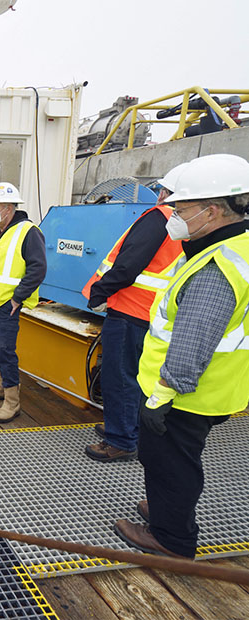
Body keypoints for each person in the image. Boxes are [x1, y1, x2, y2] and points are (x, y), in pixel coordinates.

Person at [114, 154, 249, 559]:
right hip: (217, 387)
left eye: (181, 208)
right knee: (179, 459)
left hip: (185, 393)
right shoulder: (233, 246)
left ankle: (171, 539)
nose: (172, 215)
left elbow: (193, 342)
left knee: (169, 461)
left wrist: (160, 398)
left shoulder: (216, 267)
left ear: (211, 211)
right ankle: (168, 508)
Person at [81, 167, 185, 462]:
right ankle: (128, 428)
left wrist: (99, 293)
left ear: (164, 192)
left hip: (128, 310)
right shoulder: (183, 225)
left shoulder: (157, 218)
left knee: (120, 377)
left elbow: (128, 265)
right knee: (137, 378)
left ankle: (121, 440)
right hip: (151, 314)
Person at [0, 182, 46, 421]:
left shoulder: (28, 231)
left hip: (8, 305)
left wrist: (18, 297)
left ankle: (12, 401)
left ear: (9, 208)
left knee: (6, 351)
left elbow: (38, 268)